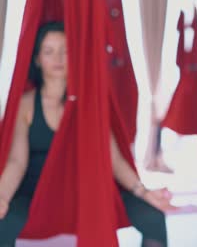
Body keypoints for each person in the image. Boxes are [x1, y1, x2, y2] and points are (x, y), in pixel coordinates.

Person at [0, 22, 176, 247]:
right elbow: (16, 161)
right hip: (36, 195)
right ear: (37, 59)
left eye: (65, 50)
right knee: (3, 223)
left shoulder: (89, 104)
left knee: (153, 217)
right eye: (49, 51)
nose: (58, 58)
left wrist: (143, 191)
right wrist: (2, 197)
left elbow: (114, 159)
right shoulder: (26, 104)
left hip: (83, 194)